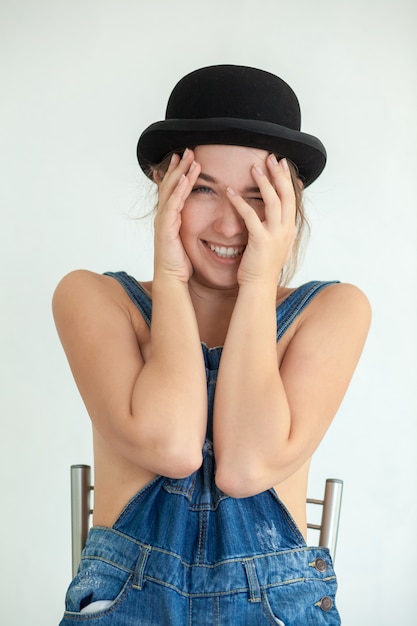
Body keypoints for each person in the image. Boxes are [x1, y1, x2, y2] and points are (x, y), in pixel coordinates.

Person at [53, 64, 371, 625]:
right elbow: (172, 447)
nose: (230, 224)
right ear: (164, 184)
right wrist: (170, 279)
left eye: (257, 197)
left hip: (278, 606)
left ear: (288, 206)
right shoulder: (94, 299)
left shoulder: (332, 311)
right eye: (203, 190)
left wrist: (257, 282)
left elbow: (246, 467)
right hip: (125, 603)